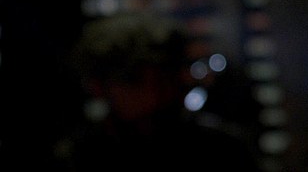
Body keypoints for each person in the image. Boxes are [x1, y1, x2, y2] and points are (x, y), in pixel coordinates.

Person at [54, 14, 260, 172]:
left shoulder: (223, 151)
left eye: (167, 76)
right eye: (134, 79)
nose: (156, 92)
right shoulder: (79, 157)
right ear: (98, 86)